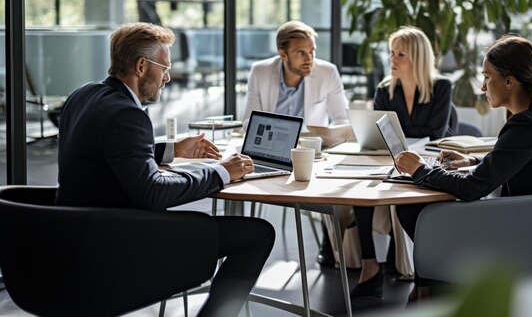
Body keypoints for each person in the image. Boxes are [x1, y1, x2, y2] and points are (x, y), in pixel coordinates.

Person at [57, 22, 275, 317]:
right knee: (258, 234)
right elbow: (153, 192)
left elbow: (106, 149)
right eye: (164, 68)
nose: (168, 77)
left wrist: (172, 149)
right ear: (141, 66)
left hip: (73, 237)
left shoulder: (84, 95)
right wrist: (223, 171)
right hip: (117, 242)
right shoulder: (127, 114)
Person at [394, 35, 532, 300]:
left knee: (412, 208)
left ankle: (439, 289)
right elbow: (525, 159)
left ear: (510, 81)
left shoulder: (527, 125)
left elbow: (472, 188)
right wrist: (474, 161)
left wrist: (420, 170)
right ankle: (433, 288)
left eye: (487, 77)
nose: (482, 87)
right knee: (421, 212)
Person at [351, 27, 452, 299]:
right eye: (391, 53)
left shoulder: (441, 87)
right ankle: (369, 266)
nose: (392, 59)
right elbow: (380, 134)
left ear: (417, 58)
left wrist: (403, 138)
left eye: (401, 54)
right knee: (361, 189)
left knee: (412, 209)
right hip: (394, 159)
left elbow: (436, 133)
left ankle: (426, 277)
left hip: (429, 162)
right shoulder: (385, 90)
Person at [242, 20, 349, 267]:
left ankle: (329, 239)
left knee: (330, 182)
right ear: (283, 54)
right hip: (269, 151)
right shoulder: (260, 71)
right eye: (301, 52)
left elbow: (342, 118)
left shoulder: (327, 72)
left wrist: (326, 135)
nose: (309, 58)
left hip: (311, 152)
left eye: (311, 51)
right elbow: (248, 120)